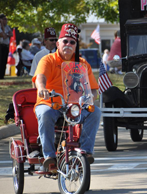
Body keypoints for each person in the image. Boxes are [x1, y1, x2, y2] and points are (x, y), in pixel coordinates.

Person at [32, 23, 101, 168]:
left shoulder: (82, 63)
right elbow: (40, 77)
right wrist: (42, 88)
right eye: (65, 41)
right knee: (45, 114)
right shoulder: (48, 60)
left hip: (74, 106)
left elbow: (93, 89)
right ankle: (49, 155)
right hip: (51, 103)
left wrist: (91, 97)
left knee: (95, 112)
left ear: (75, 46)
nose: (68, 44)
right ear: (58, 43)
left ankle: (86, 152)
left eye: (72, 42)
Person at [0, 14, 13, 79]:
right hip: (1, 45)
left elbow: (11, 34)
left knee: (4, 60)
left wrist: (6, 35)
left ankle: (2, 75)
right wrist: (6, 34)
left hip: (5, 45)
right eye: (4, 19)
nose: (6, 21)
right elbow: (3, 35)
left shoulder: (7, 26)